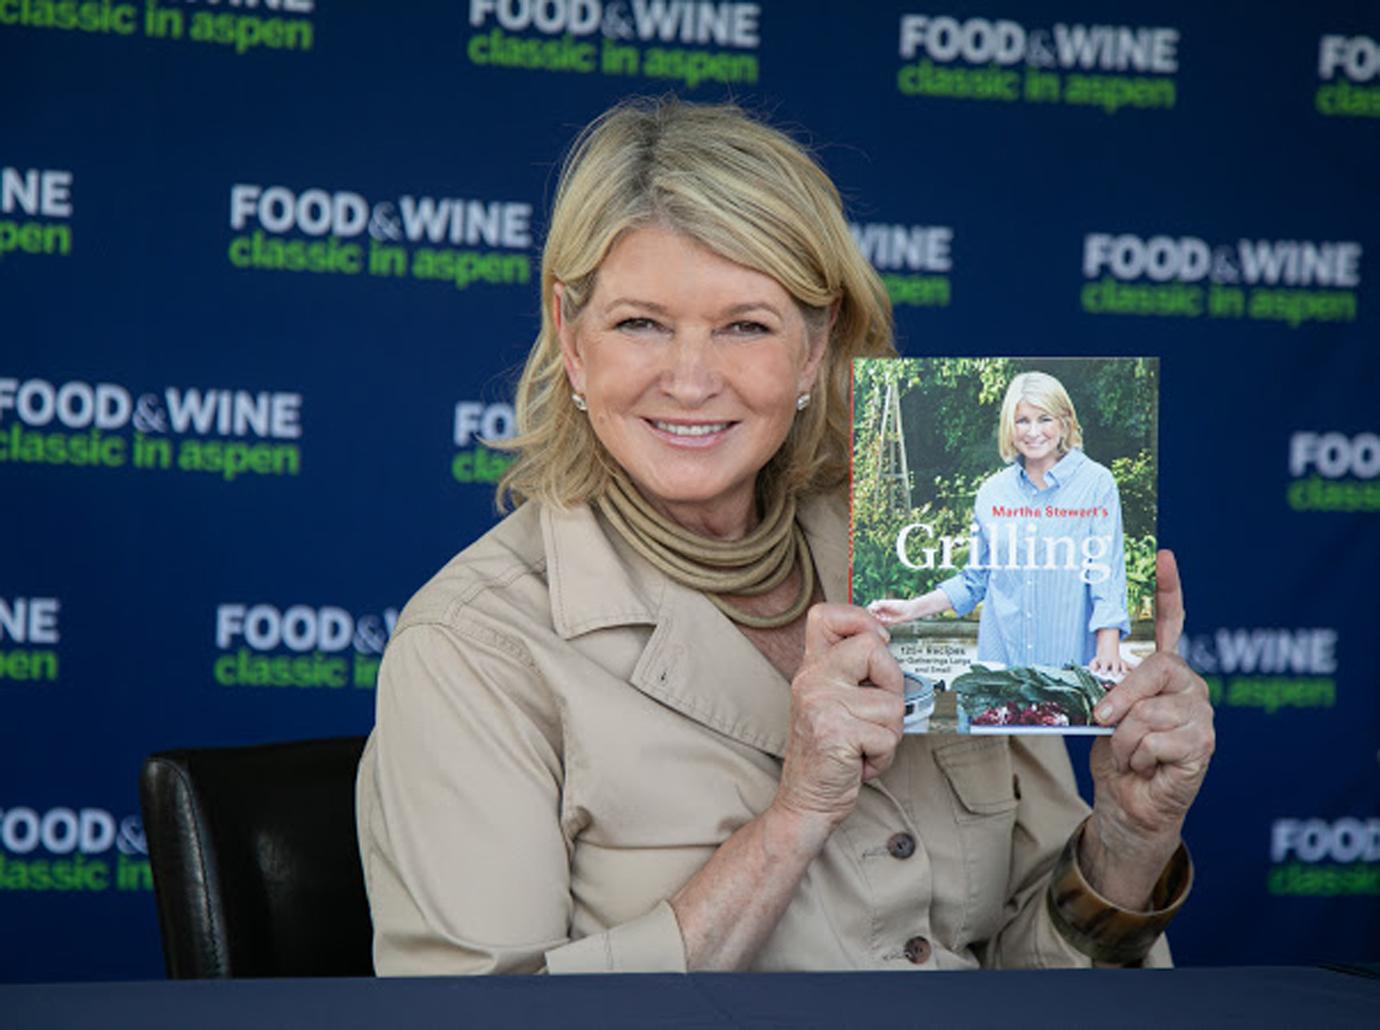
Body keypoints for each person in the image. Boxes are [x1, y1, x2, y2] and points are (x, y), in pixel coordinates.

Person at [355, 97, 1214, 975]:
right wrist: (796, 814)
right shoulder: (472, 646)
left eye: (745, 326)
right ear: (571, 341)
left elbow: (1026, 982)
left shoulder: (931, 546)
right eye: (639, 323)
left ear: (814, 350)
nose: (690, 381)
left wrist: (1126, 840)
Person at [869, 371, 1132, 678]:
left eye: (1044, 418)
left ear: (1065, 422)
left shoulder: (1097, 483)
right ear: (1010, 425)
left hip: (1071, 669)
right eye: (1022, 420)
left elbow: (1106, 572)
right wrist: (911, 609)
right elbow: (974, 580)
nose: (1033, 432)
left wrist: (1108, 646)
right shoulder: (992, 492)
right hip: (1000, 668)